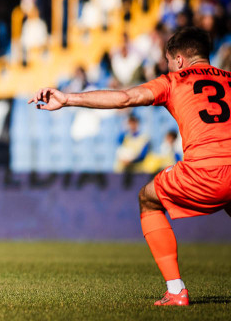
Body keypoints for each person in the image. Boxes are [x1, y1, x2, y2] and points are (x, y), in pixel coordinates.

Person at [30, 26, 231, 306]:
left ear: (180, 60)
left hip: (203, 170)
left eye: (169, 61)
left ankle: (176, 290)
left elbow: (125, 98)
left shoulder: (175, 80)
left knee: (148, 199)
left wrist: (68, 98)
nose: (169, 66)